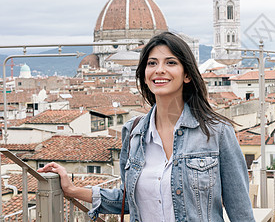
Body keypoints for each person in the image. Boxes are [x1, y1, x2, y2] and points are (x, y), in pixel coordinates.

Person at [38, 32, 255, 222]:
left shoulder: (217, 132)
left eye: (170, 63)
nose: (159, 70)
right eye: (152, 63)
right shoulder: (133, 133)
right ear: (144, 74)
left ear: (187, 74)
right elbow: (128, 200)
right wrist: (72, 189)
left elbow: (240, 211)